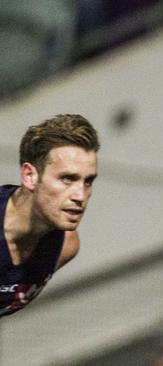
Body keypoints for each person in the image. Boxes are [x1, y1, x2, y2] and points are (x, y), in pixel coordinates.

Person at [0, 114, 99, 317]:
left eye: (88, 181)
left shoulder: (66, 244)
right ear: (30, 176)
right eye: (67, 179)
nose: (80, 196)